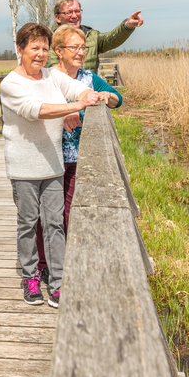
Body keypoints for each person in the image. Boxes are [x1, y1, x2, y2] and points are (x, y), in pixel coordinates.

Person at [0, 23, 104, 309]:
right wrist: (72, 108)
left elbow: (81, 90)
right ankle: (30, 277)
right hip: (24, 167)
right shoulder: (11, 83)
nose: (40, 54)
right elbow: (37, 111)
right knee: (28, 223)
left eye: (45, 49)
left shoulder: (52, 76)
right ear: (19, 50)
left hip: (54, 164)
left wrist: (88, 97)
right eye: (34, 48)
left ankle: (58, 283)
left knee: (55, 224)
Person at [35, 25, 123, 282]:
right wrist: (66, 111)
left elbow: (117, 98)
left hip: (76, 157)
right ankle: (43, 263)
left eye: (84, 48)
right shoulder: (46, 77)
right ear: (59, 51)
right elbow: (35, 109)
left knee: (68, 212)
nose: (81, 52)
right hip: (48, 156)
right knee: (45, 213)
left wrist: (107, 95)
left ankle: (65, 263)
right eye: (75, 47)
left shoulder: (87, 77)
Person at [45, 0, 144, 72]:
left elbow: (112, 39)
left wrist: (127, 25)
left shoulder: (92, 36)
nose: (74, 16)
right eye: (69, 12)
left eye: (77, 11)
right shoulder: (48, 40)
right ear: (58, 17)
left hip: (89, 94)